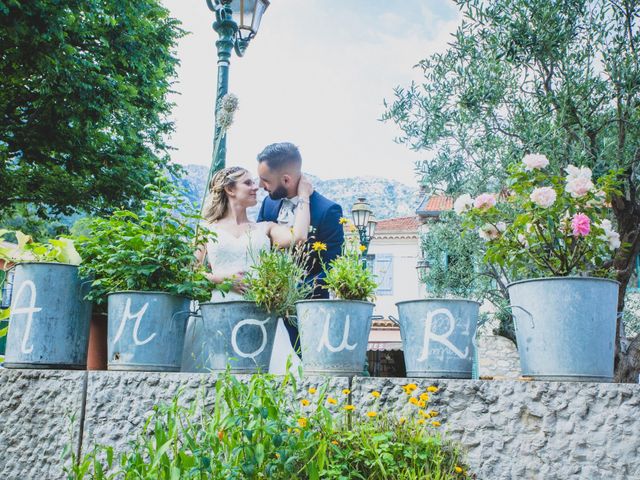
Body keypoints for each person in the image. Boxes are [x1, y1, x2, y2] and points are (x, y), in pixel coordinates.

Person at [256, 142, 345, 352]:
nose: (260, 186)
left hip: (306, 315)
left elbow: (332, 266)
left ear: (286, 179)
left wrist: (294, 293)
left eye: (265, 180)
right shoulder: (268, 204)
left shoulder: (327, 210)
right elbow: (258, 249)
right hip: (265, 309)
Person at [196, 165, 314, 300]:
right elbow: (191, 273)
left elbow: (299, 237)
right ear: (230, 189)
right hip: (219, 308)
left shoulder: (266, 228)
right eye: (248, 183)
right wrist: (222, 280)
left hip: (258, 309)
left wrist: (304, 195)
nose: (256, 187)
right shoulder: (206, 230)